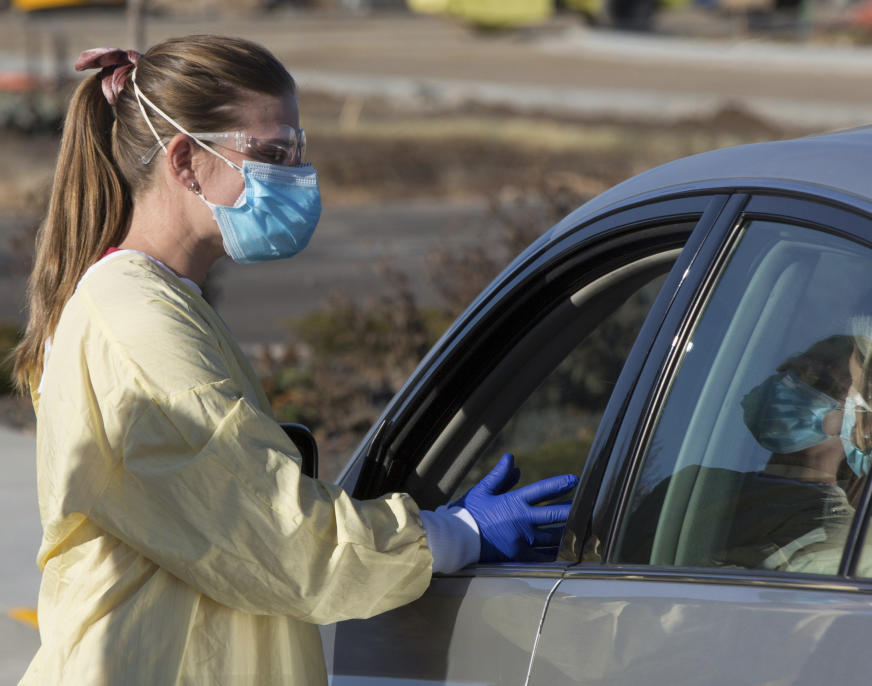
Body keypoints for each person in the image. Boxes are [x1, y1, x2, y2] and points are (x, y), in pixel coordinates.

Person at [11, 36, 578, 684]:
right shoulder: (135, 323)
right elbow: (278, 536)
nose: (295, 177)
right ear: (187, 160)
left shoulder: (156, 304)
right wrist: (456, 536)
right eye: (272, 154)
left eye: (297, 153)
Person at [726, 334, 872, 574]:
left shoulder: (845, 533)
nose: (791, 385)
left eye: (821, 382)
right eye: (794, 371)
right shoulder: (694, 486)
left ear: (863, 424)